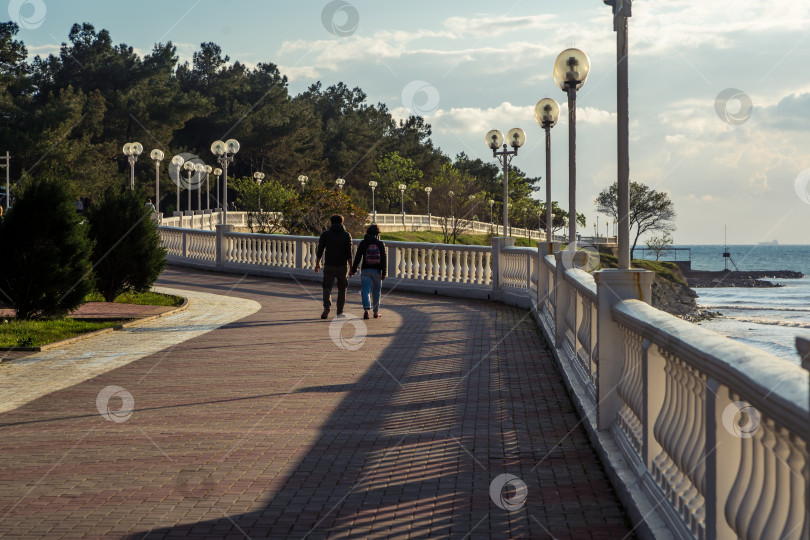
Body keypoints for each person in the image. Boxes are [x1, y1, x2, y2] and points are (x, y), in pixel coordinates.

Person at [315, 215, 353, 319]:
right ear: (342, 222)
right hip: (342, 266)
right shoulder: (346, 235)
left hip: (329, 265)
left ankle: (327, 308)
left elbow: (320, 250)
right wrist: (351, 267)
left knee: (327, 288)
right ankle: (339, 312)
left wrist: (317, 263)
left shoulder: (325, 234)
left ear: (331, 222)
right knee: (342, 289)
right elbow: (349, 253)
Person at [350, 224, 387, 319]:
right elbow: (383, 259)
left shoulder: (363, 243)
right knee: (376, 291)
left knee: (365, 290)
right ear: (377, 234)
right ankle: (376, 312)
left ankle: (366, 310)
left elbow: (358, 257)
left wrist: (353, 270)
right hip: (377, 271)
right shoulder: (380, 243)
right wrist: (384, 272)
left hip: (365, 270)